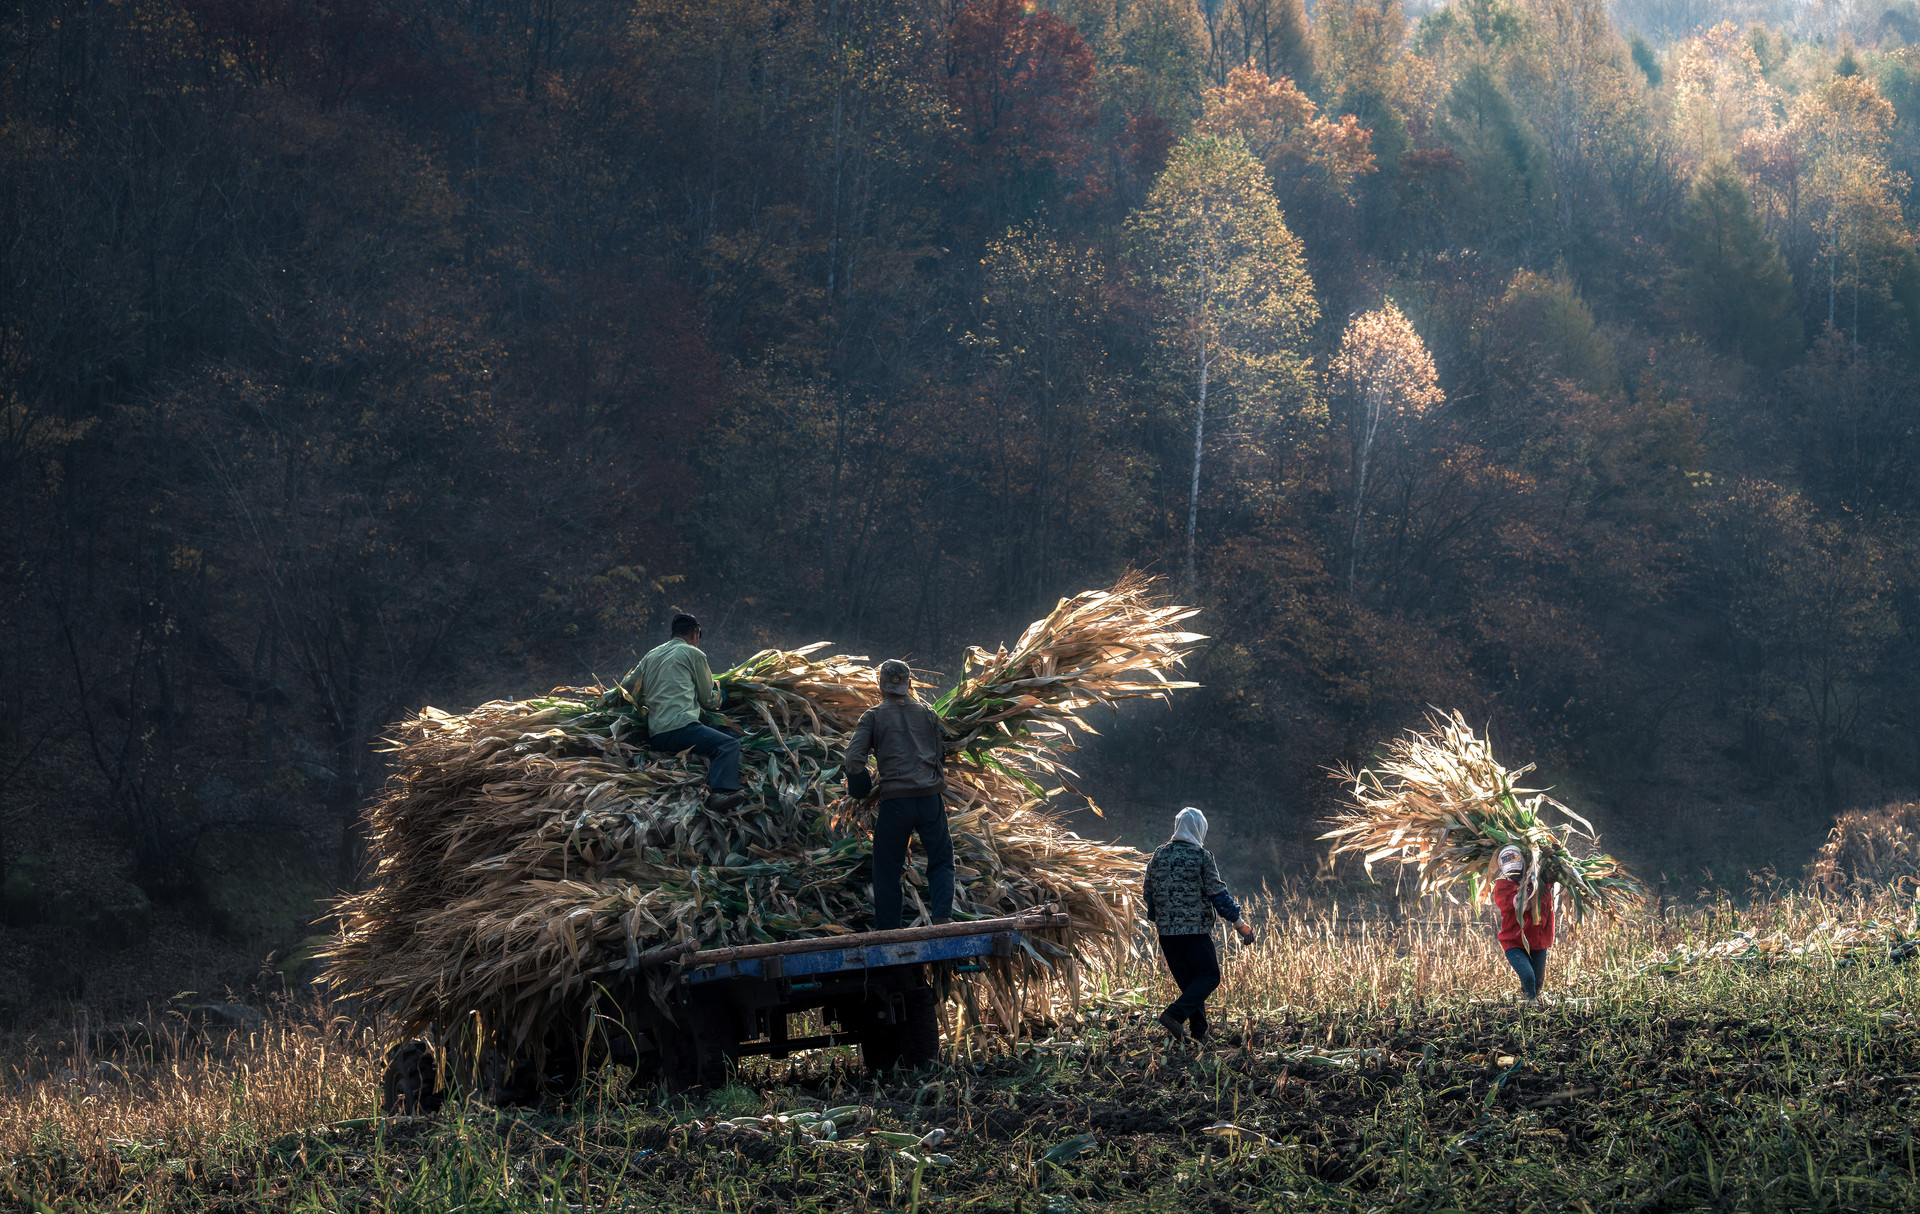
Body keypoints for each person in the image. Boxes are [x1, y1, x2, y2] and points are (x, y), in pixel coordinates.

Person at [844, 659, 953, 930]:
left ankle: (890, 930)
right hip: (930, 800)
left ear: (880, 685)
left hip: (896, 803)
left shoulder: (873, 716)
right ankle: (942, 919)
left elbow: (853, 759)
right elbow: (940, 754)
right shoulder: (928, 713)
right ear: (909, 684)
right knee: (940, 859)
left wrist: (860, 788)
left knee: (887, 868)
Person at [617, 614, 745, 812]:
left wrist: (645, 701)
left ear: (672, 634)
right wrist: (722, 696)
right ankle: (719, 794)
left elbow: (626, 688)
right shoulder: (694, 654)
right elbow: (708, 700)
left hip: (657, 734)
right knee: (729, 743)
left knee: (726, 731)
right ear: (695, 632)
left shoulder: (651, 655)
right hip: (682, 730)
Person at [1144, 807, 1252, 1042]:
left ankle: (1199, 1034)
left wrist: (1162, 918)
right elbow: (1218, 894)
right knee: (1209, 976)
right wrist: (1240, 925)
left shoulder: (1158, 855)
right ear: (1200, 829)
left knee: (1191, 986)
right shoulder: (1201, 856)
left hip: (1167, 933)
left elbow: (1149, 892)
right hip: (1194, 932)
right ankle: (1173, 1015)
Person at [1492, 844, 1555, 1001]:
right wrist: (1540, 879)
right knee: (1528, 977)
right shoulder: (1502, 886)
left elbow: (1551, 879)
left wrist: (1553, 855)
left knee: (1538, 985)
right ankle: (1530, 1010)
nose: (1514, 875)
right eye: (1510, 872)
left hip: (1539, 940)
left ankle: (1529, 1007)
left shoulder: (1536, 875)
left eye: (1517, 871)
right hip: (1514, 943)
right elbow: (1521, 903)